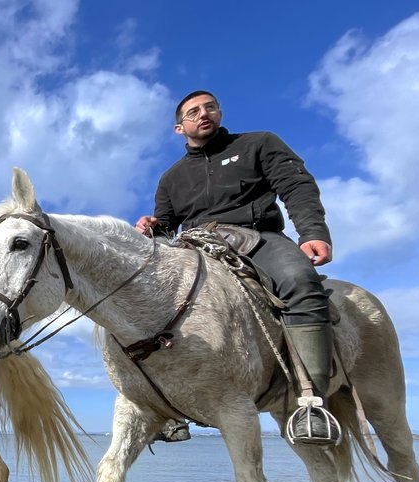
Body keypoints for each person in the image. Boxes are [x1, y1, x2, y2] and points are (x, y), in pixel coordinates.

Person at [135, 90, 339, 446]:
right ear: (179, 127)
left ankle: (312, 402)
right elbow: (168, 226)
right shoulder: (171, 178)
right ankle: (164, 407)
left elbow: (297, 187)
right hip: (196, 245)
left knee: (300, 280)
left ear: (219, 112)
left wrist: (312, 233)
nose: (204, 114)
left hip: (257, 239)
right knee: (147, 303)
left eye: (210, 107)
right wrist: (154, 226)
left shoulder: (259, 143)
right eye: (193, 111)